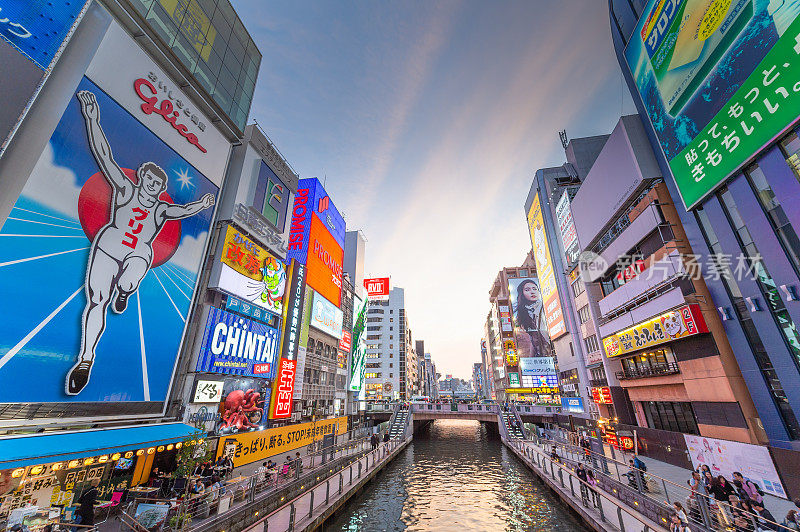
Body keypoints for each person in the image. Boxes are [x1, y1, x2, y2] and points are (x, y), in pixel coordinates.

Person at [66, 91, 215, 395]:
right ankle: (85, 361)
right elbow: (104, 156)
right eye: (149, 182)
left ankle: (125, 289)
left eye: (158, 186)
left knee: (141, 257)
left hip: (136, 252)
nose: (153, 188)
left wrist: (201, 204)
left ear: (161, 189)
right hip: (108, 246)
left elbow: (182, 210)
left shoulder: (160, 209)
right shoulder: (124, 188)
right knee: (96, 302)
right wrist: (92, 118)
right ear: (142, 179)